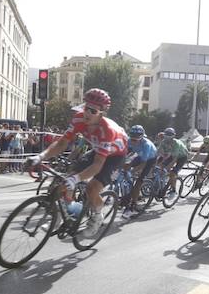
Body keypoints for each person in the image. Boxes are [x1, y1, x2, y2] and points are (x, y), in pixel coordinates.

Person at [27, 88, 127, 238]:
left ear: (101, 113)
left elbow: (98, 165)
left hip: (116, 156)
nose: (87, 113)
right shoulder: (78, 119)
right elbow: (61, 144)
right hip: (97, 149)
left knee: (92, 189)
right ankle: (59, 217)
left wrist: (76, 179)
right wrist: (40, 157)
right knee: (63, 182)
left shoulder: (107, 130)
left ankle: (97, 216)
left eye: (93, 111)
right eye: (87, 108)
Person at [122, 124, 157, 219]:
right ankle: (130, 188)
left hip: (150, 159)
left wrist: (133, 170)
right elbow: (125, 155)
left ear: (141, 138)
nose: (132, 141)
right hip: (138, 155)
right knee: (124, 166)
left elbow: (143, 163)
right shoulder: (129, 141)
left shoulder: (146, 145)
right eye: (131, 139)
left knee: (138, 182)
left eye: (135, 140)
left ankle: (133, 205)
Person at [156, 127, 189, 195]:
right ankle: (163, 181)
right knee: (160, 166)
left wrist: (168, 167)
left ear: (173, 136)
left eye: (169, 135)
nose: (167, 137)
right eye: (166, 135)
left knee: (173, 173)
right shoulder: (163, 141)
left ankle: (173, 190)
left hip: (182, 157)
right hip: (172, 155)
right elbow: (158, 152)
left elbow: (174, 159)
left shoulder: (176, 143)